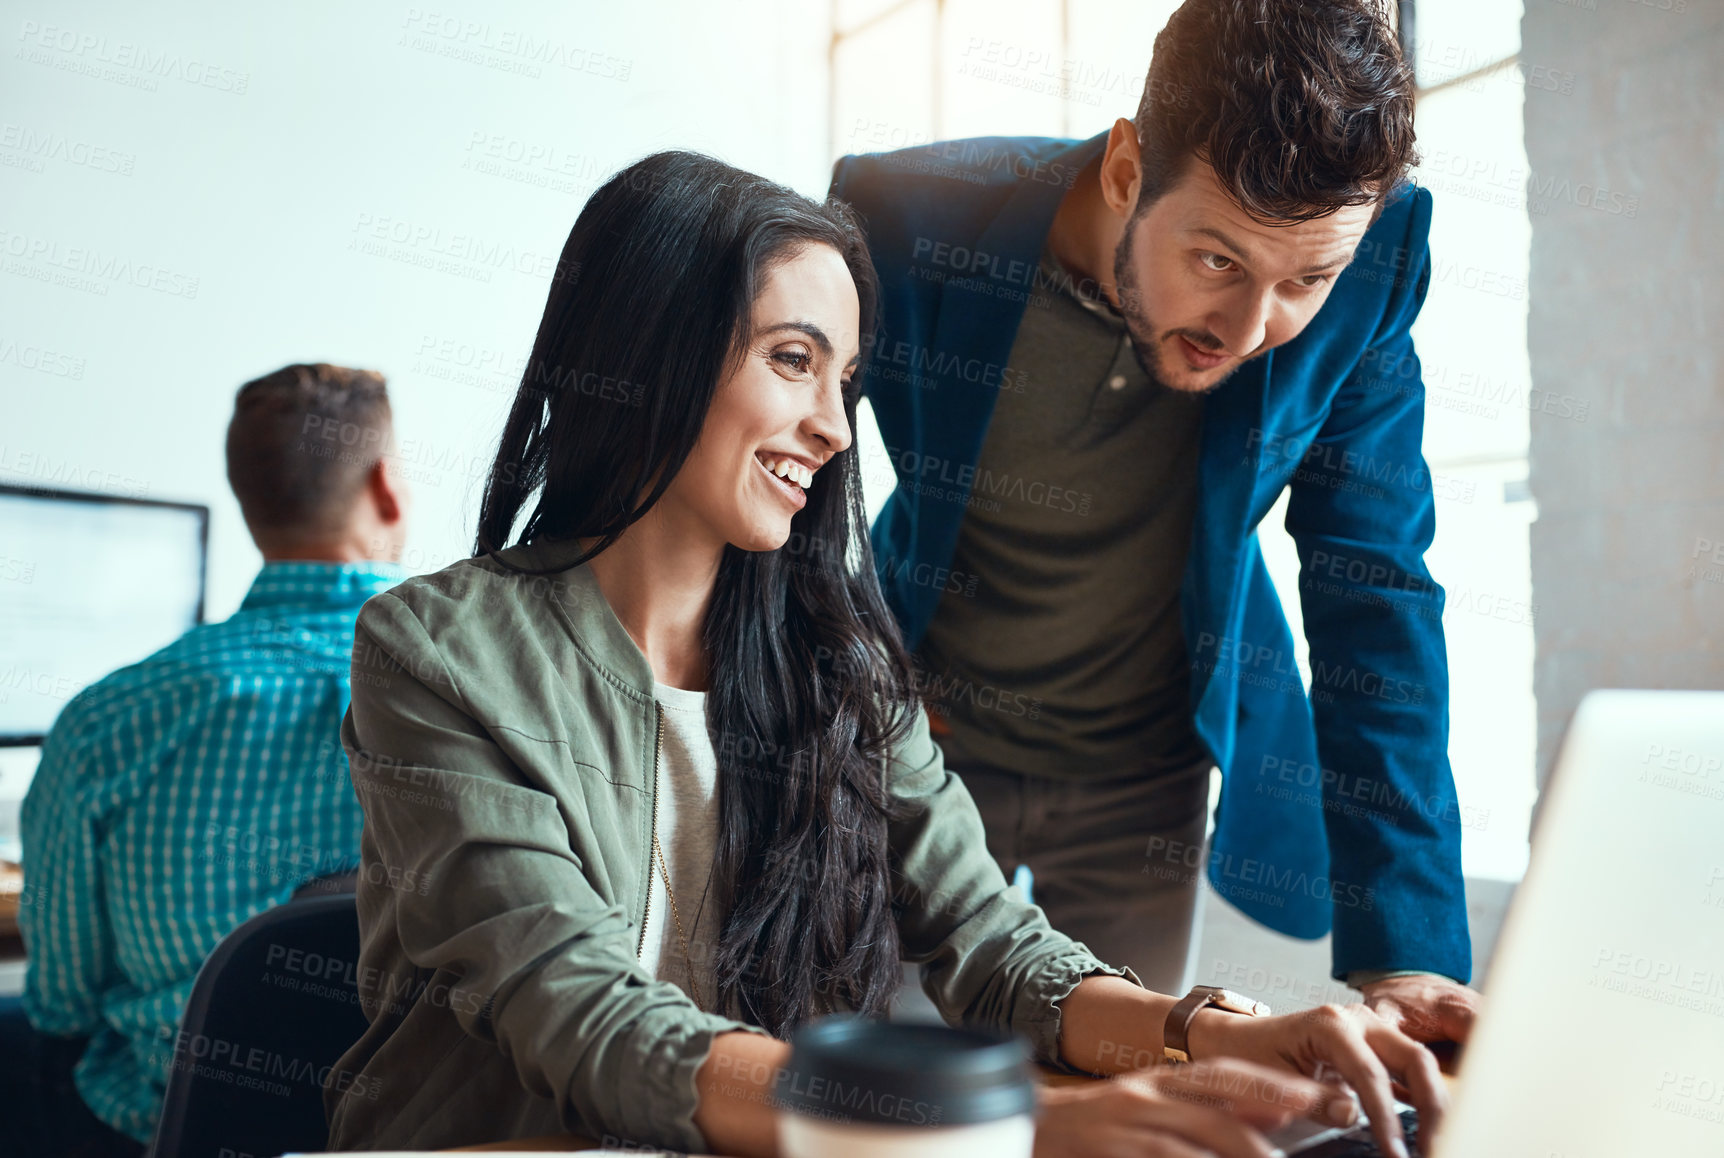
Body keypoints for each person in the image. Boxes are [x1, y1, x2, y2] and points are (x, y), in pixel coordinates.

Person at [324, 149, 1443, 1158]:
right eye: (792, 358)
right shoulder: (437, 654)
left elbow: (990, 946)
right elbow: (586, 1019)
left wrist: (1207, 1035)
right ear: (650, 346)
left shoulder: (839, 664)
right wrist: (1020, 1123)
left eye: (844, 379)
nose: (833, 426)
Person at [829, 0, 1481, 1043]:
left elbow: (1375, 588)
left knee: (1118, 1092)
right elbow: (787, 484)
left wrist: (1405, 950)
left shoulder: (1375, 266)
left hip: (1148, 777)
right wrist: (848, 686)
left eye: (1304, 279)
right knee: (879, 1097)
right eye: (1218, 261)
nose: (1251, 329)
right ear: (1128, 170)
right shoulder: (911, 218)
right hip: (923, 747)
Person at [2, 363, 410, 1156]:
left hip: (166, 1121)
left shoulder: (104, 720)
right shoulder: (465, 692)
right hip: (398, 1122)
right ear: (389, 485)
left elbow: (62, 1001)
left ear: (249, 501)